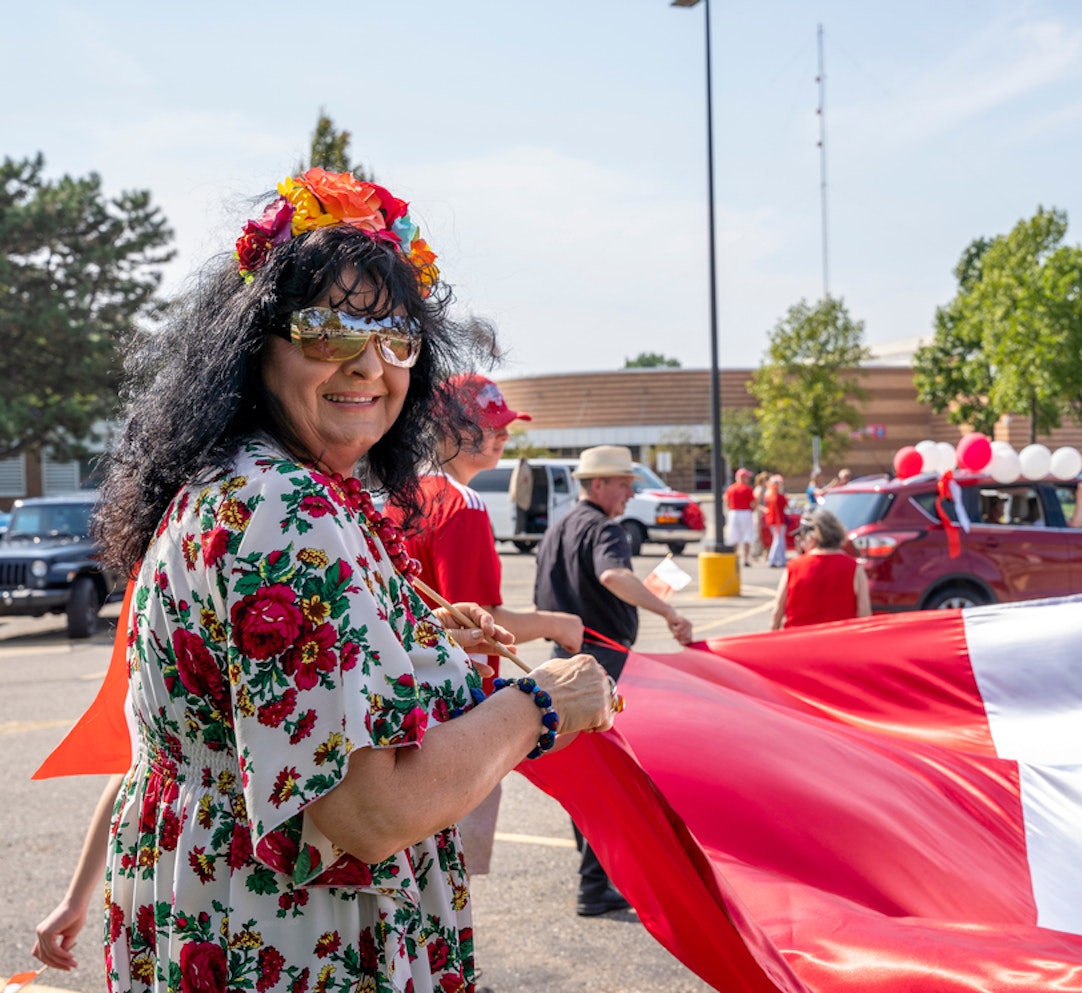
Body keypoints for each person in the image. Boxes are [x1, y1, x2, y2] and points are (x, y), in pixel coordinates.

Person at [32, 168, 615, 991]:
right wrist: (543, 704)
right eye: (328, 331)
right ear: (254, 343)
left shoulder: (236, 481)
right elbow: (368, 813)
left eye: (395, 336)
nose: (369, 366)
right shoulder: (286, 507)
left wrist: (413, 642)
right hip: (295, 939)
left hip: (213, 911)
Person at [385, 372, 585, 880]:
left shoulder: (399, 496)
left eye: (505, 426)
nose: (503, 436)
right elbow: (479, 616)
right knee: (451, 874)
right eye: (489, 425)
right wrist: (557, 623)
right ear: (448, 430)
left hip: (402, 701)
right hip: (457, 708)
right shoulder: (463, 505)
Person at [535, 444, 695, 914]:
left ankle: (594, 878)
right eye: (624, 484)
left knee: (582, 769)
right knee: (610, 773)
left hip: (559, 659)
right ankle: (594, 883)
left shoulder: (559, 526)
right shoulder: (605, 528)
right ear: (599, 484)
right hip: (600, 664)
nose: (630, 493)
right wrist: (667, 610)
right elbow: (611, 576)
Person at [771, 509, 870, 629]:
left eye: (801, 538)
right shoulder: (854, 568)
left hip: (798, 640)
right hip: (841, 640)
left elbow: (778, 611)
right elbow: (864, 614)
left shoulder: (794, 567)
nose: (801, 544)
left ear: (812, 538)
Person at [725, 467, 758, 566]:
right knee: (747, 537)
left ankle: (735, 558)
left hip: (733, 513)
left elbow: (726, 501)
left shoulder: (730, 488)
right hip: (745, 513)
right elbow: (754, 502)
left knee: (734, 537)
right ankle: (745, 559)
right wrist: (752, 510)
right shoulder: (747, 489)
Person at [764, 473, 789, 568]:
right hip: (778, 521)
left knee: (780, 541)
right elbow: (786, 505)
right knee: (778, 540)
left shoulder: (769, 495)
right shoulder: (777, 496)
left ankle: (781, 559)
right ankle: (772, 559)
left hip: (774, 520)